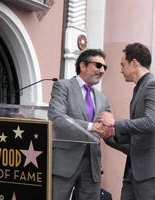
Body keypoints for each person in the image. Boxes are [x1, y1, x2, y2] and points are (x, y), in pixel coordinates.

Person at [99, 42, 155, 199]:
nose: (121, 70)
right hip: (136, 168)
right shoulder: (140, 88)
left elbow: (150, 122)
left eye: (123, 64)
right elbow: (137, 135)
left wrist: (115, 123)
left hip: (152, 167)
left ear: (134, 63)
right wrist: (110, 135)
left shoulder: (154, 86)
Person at [48, 49, 110, 200]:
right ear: (83, 66)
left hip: (92, 165)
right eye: (98, 65)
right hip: (64, 162)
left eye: (104, 67)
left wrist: (110, 129)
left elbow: (106, 126)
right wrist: (91, 126)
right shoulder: (63, 87)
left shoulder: (102, 99)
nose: (102, 71)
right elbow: (57, 118)